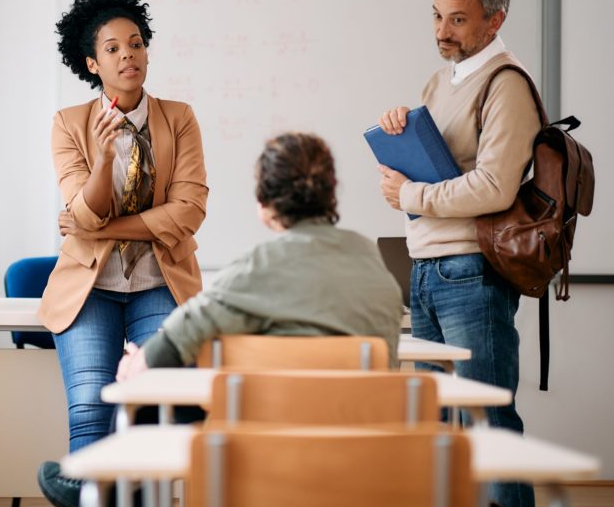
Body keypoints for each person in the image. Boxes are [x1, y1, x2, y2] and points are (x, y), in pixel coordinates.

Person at [375, 0, 540, 507]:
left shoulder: (505, 83)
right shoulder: (442, 80)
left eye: (459, 19)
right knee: (442, 425)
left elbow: (495, 186)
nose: (442, 31)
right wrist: (404, 127)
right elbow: (439, 162)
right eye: (438, 17)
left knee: (488, 422)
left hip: (469, 272)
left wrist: (412, 197)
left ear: (495, 21)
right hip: (427, 270)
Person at [36, 0, 208, 507]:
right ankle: (92, 498)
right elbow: (85, 214)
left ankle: (120, 498)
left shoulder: (178, 117)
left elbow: (189, 212)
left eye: (136, 44)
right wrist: (105, 155)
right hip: (91, 291)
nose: (127, 55)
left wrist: (98, 228)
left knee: (150, 406)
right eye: (112, 49)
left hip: (160, 283)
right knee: (90, 408)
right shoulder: (70, 123)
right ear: (92, 63)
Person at [119, 132, 402, 381]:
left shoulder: (258, 268)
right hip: (367, 435)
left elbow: (182, 333)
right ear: (330, 194)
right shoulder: (370, 259)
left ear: (264, 202)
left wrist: (139, 362)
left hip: (266, 438)